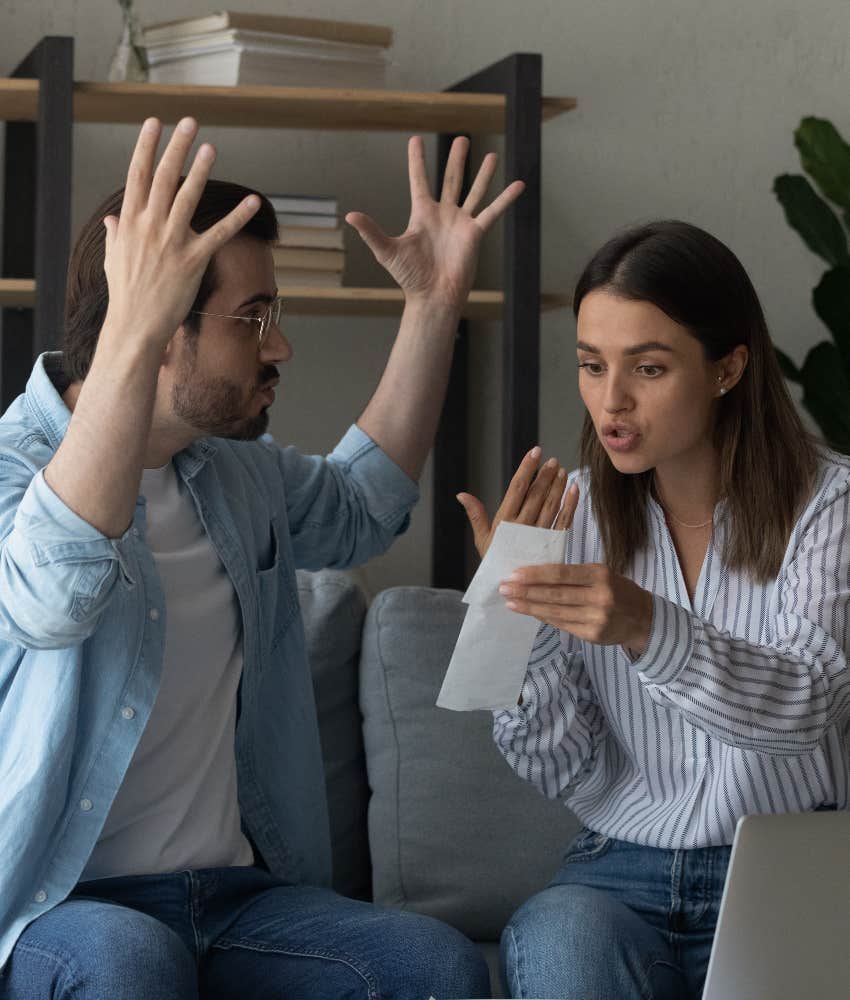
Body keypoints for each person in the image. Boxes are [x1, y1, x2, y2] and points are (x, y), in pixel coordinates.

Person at [0, 116, 524, 999]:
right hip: (61, 909)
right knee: (128, 962)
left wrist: (434, 305)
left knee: (430, 964)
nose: (278, 346)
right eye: (253, 320)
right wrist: (131, 328)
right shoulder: (15, 470)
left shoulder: (234, 473)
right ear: (160, 327)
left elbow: (361, 508)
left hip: (237, 896)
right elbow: (53, 601)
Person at [457, 219, 850, 1000]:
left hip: (786, 870)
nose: (612, 401)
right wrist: (513, 618)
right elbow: (561, 768)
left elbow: (806, 703)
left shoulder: (831, 504)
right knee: (558, 941)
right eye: (592, 365)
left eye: (649, 367)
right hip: (615, 870)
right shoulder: (569, 516)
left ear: (728, 367)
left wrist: (647, 625)